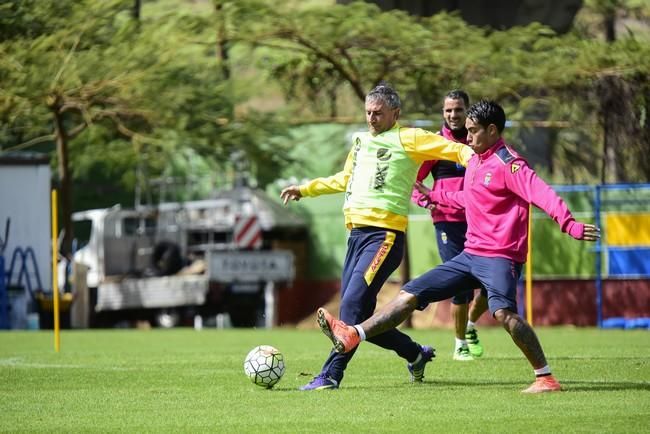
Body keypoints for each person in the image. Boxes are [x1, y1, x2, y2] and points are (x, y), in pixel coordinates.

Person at [317, 99, 601, 393]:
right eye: (466, 131)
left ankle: (545, 377)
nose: (467, 138)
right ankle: (353, 334)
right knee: (409, 294)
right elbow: (469, 198)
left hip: (500, 256)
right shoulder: (476, 161)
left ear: (492, 131)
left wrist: (569, 224)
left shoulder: (510, 164)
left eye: (474, 131)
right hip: (470, 254)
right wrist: (435, 196)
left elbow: (542, 193)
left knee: (504, 314)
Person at [280, 83, 474, 391]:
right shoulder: (359, 142)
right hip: (356, 236)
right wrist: (306, 189)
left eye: (378, 113)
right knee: (358, 315)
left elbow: (456, 149)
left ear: (395, 113)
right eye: (368, 112)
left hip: (384, 237)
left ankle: (330, 375)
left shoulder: (410, 138)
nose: (372, 118)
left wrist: (481, 164)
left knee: (351, 310)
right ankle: (414, 353)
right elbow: (346, 178)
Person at [411, 89, 488, 361]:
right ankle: (459, 346)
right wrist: (425, 202)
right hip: (447, 221)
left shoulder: (478, 141)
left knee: (493, 283)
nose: (453, 115)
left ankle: (469, 326)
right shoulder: (434, 144)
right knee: (461, 284)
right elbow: (415, 183)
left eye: (458, 109)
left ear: (467, 110)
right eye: (448, 110)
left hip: (480, 220)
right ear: (443, 113)